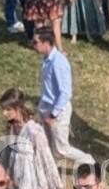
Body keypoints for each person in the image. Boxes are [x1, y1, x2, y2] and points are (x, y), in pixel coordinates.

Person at [0, 88, 73, 189]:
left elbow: (44, 157)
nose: (5, 113)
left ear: (18, 108)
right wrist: (3, 168)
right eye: (4, 109)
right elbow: (8, 148)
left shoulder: (34, 131)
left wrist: (44, 180)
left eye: (8, 109)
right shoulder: (12, 125)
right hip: (16, 171)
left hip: (29, 174)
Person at [34, 31, 95, 166]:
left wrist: (53, 114)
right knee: (44, 140)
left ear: (46, 43)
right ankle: (48, 167)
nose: (33, 45)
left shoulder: (58, 63)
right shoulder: (47, 59)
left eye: (35, 42)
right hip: (46, 105)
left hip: (57, 110)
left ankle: (88, 161)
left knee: (62, 149)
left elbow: (65, 92)